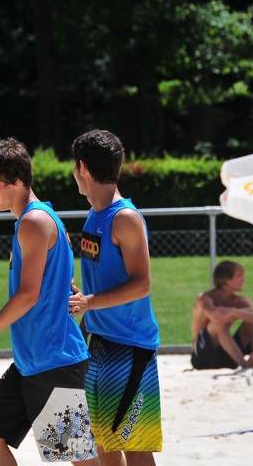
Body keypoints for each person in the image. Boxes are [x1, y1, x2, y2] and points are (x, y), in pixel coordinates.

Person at [0, 138, 101, 466]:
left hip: (52, 360)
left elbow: (28, 295)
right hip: (33, 359)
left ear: (16, 181)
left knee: (76, 455)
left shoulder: (34, 222)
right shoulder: (39, 219)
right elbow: (63, 282)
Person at [68, 129, 161, 466]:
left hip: (130, 344)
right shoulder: (95, 215)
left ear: (82, 168)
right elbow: (105, 279)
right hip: (99, 340)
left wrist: (89, 302)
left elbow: (142, 284)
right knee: (102, 443)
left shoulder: (125, 218)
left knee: (135, 446)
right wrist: (81, 297)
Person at [190, 260, 253, 370]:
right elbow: (215, 317)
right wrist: (240, 313)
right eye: (239, 276)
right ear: (226, 280)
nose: (244, 280)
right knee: (219, 324)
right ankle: (245, 365)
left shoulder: (238, 302)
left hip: (228, 358)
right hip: (203, 357)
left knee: (251, 324)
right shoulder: (205, 298)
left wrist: (234, 312)